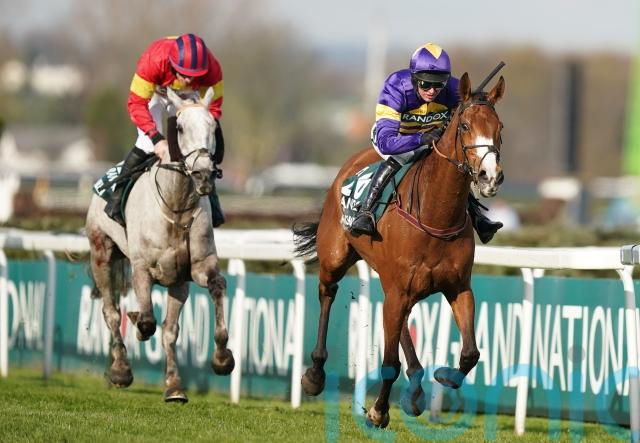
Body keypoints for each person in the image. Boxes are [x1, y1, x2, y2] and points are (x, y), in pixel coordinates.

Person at [349, 42, 503, 243]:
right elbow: (386, 142)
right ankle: (366, 212)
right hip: (396, 138)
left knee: (455, 164)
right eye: (425, 84)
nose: (432, 90)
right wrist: (420, 138)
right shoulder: (395, 87)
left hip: (431, 138)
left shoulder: (454, 89)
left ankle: (477, 217)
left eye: (438, 84)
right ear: (414, 78)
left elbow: (473, 112)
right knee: (400, 158)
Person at [105, 33, 226, 227]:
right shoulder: (153, 61)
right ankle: (116, 200)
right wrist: (156, 138)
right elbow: (136, 104)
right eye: (184, 74)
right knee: (146, 144)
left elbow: (214, 107)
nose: (189, 79)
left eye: (195, 76)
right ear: (172, 64)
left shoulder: (212, 68)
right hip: (156, 93)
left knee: (201, 143)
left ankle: (212, 199)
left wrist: (204, 125)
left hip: (189, 99)